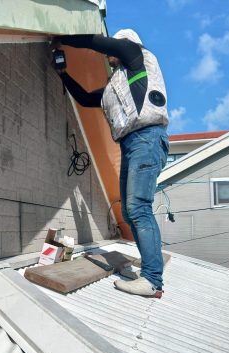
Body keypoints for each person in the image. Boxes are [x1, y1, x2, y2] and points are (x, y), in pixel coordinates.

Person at [52, 29, 169, 297]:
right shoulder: (115, 85)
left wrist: (63, 39)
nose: (108, 54)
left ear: (126, 45)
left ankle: (152, 279)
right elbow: (84, 98)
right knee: (130, 213)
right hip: (132, 144)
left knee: (138, 208)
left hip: (147, 138)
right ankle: (149, 274)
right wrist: (63, 73)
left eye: (113, 49)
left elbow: (97, 41)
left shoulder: (138, 56)